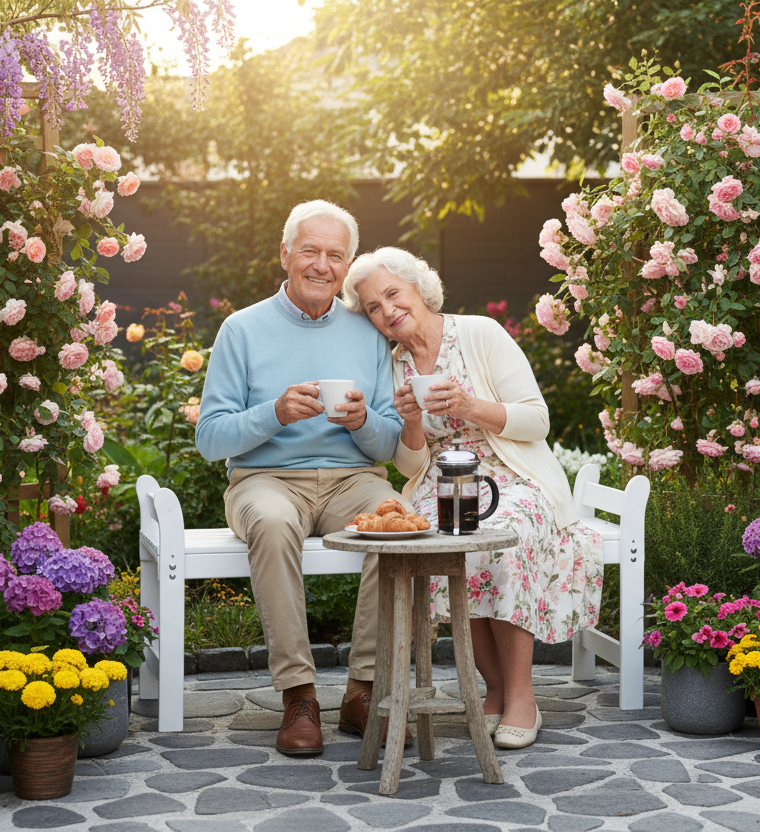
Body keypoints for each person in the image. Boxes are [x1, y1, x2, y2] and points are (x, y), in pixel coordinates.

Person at [342, 247, 605, 749]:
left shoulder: (479, 333)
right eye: (374, 307)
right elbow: (408, 465)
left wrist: (468, 405)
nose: (388, 310)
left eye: (392, 294)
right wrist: (413, 422)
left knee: (505, 536)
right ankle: (496, 687)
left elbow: (536, 420)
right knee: (445, 545)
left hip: (512, 473)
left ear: (418, 287)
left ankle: (522, 696)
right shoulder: (393, 365)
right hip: (442, 480)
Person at [195, 203, 413, 757]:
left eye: (335, 255)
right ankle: (299, 696)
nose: (322, 264)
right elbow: (210, 439)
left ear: (347, 266)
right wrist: (274, 413)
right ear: (286, 254)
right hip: (266, 479)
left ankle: (364, 692)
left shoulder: (367, 333)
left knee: (398, 525)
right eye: (310, 251)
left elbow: (390, 443)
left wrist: (364, 422)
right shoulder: (241, 329)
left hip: (352, 479)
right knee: (269, 521)